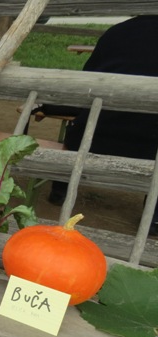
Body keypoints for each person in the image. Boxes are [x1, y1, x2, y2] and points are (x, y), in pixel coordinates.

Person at [43, 16, 158, 234]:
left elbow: (87, 82)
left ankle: (60, 190)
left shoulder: (119, 31)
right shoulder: (120, 31)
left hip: (94, 137)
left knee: (78, 130)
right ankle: (155, 217)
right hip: (151, 147)